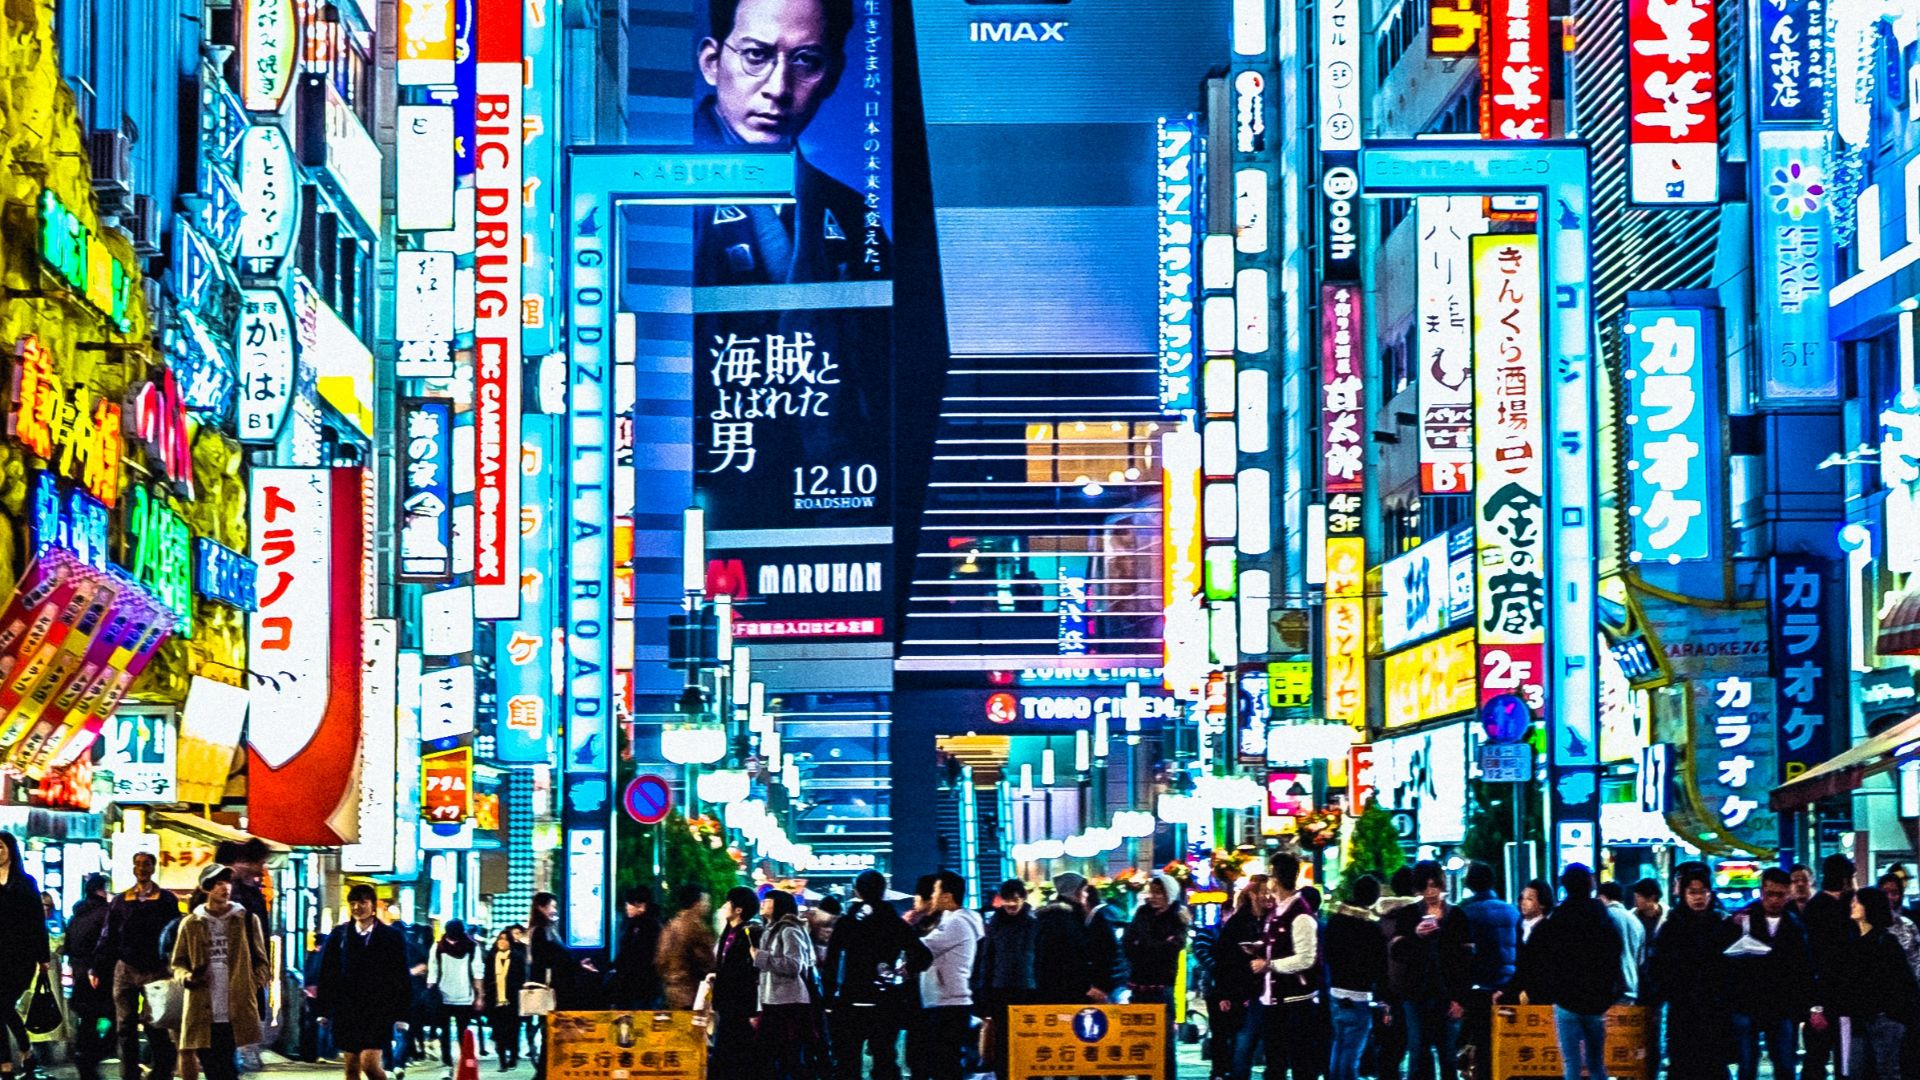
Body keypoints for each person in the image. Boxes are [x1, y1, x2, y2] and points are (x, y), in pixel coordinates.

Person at [693, 0, 890, 286]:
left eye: (806, 60)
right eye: (756, 55)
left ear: (833, 76)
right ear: (712, 63)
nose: (779, 89)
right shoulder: (658, 192)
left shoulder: (853, 214)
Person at [171, 867, 269, 1080]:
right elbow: (177, 963)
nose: (224, 887)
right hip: (202, 1005)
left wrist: (252, 983)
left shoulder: (246, 920)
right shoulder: (191, 923)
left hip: (235, 1005)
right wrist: (187, 977)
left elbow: (262, 961)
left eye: (227, 882)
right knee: (212, 1064)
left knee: (226, 1065)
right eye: (217, 883)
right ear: (207, 888)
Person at [822, 870, 921, 1080]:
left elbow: (831, 963)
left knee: (847, 1064)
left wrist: (829, 999)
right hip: (885, 998)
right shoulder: (895, 923)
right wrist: (903, 972)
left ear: (857, 891)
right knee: (885, 1060)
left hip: (850, 999)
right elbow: (923, 955)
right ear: (883, 891)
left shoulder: (846, 923)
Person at [95, 850, 183, 1080]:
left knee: (156, 1023)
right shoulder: (121, 900)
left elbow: (174, 933)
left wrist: (172, 963)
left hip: (156, 969)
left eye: (146, 864)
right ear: (133, 869)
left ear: (153, 868)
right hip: (125, 968)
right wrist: (98, 965)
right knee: (125, 1026)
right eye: (138, 864)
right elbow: (108, 935)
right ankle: (129, 1073)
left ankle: (162, 1071)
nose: (142, 868)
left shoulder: (166, 900)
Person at [1646, 866, 1737, 1079]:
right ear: (1684, 894)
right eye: (1693, 892)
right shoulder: (1672, 927)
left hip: (1716, 1011)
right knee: (1684, 1065)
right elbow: (1658, 967)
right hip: (1683, 1012)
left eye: (1703, 891)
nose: (1699, 897)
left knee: (1715, 1066)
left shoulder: (1723, 925)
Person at [1532, 865, 1621, 1080]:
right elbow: (1615, 950)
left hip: (1566, 1000)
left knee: (1571, 1062)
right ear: (1590, 884)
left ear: (1564, 885)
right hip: (1596, 1000)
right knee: (1596, 1061)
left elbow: (1541, 954)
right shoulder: (1601, 915)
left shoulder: (1557, 917)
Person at [315, 886, 413, 1080]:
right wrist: (323, 1009)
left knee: (369, 1064)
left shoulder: (391, 937)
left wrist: (402, 1015)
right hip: (347, 1010)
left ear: (373, 905)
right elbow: (327, 973)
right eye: (353, 903)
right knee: (351, 1068)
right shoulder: (339, 935)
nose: (357, 907)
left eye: (362, 902)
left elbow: (401, 976)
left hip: (377, 1010)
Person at [1725, 866, 1813, 1080]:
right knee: (1747, 1064)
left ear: (1788, 893)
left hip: (1781, 1006)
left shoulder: (1794, 925)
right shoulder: (1743, 919)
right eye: (1769, 894)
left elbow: (1803, 968)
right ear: (1762, 892)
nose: (1774, 900)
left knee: (1784, 1063)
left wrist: (1803, 1006)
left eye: (1780, 895)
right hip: (1746, 1003)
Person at [1386, 860, 1470, 1080]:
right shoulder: (1409, 915)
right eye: (1425, 886)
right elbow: (1397, 953)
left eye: (1435, 885)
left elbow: (1466, 961)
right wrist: (1416, 934)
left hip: (1448, 993)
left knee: (1448, 1054)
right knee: (1418, 1052)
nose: (1431, 891)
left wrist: (1460, 998)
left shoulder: (1457, 915)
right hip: (1416, 994)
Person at [1835, 885, 1920, 1079]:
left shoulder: (1886, 941)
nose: (1853, 905)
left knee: (1886, 1071)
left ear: (1869, 907)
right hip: (1861, 1018)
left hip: (1883, 1018)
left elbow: (1901, 982)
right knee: (1858, 1070)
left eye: (1858, 901)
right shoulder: (1855, 940)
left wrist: (1893, 1012)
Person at [1259, 854, 1323, 1080]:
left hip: (1296, 1002)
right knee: (1274, 1064)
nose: (1268, 881)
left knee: (1300, 1063)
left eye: (1270, 874)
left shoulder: (1300, 915)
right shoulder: (1276, 912)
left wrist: (1270, 965)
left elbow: (1306, 959)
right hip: (1274, 1000)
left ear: (1277, 878)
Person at [917, 871, 983, 1080]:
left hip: (950, 1002)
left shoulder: (957, 922)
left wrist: (905, 925)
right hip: (945, 1000)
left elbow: (923, 947)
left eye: (936, 891)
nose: (933, 896)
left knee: (946, 1064)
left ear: (947, 896)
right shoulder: (953, 919)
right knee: (945, 1061)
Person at [1123, 874, 1189, 1080]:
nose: (1153, 897)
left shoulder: (1178, 917)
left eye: (1159, 893)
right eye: (1152, 892)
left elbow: (1171, 949)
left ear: (1169, 894)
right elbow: (1128, 944)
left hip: (1162, 990)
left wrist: (1144, 945)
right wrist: (1155, 945)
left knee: (1165, 1045)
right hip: (1138, 988)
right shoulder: (1142, 913)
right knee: (1140, 1043)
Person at [1458, 862, 1518, 1080]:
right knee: (1507, 1040)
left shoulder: (1465, 911)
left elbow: (1463, 955)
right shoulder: (1511, 910)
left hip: (1481, 986)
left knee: (1483, 1041)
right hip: (1509, 986)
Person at [527, 893, 595, 1080]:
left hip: (557, 988)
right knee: (551, 1032)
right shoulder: (541, 931)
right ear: (541, 907)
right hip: (552, 990)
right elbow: (549, 959)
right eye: (551, 906)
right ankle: (544, 1074)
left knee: (552, 1032)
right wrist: (574, 964)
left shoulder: (548, 929)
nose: (554, 909)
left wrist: (577, 964)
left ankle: (546, 1072)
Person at [753, 889, 820, 1080]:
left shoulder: (789, 930)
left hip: (789, 1002)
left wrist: (760, 956)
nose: (763, 903)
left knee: (786, 1055)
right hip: (773, 1001)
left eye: (767, 900)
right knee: (773, 1055)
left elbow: (793, 965)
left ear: (778, 905)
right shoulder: (770, 929)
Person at [1325, 875, 1387, 1080]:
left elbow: (1327, 953)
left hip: (1335, 991)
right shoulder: (1371, 929)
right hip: (1359, 994)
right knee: (1352, 1051)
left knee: (1339, 1043)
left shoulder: (1335, 921)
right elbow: (1379, 965)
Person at [975, 880, 1036, 1080]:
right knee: (1002, 1039)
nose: (1011, 904)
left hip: (1027, 989)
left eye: (1015, 899)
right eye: (1007, 900)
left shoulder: (1033, 923)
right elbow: (987, 959)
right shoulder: (995, 924)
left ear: (1023, 898)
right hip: (999, 989)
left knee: (1027, 1037)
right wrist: (984, 992)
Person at [1801, 853, 1855, 1080]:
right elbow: (1815, 958)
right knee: (1834, 1057)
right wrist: (1815, 1005)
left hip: (1828, 994)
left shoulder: (1816, 906)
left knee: (1819, 1058)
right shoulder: (1836, 908)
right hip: (1832, 994)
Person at [0, 832, 49, 1080]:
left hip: (20, 957)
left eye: (1, 847)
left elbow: (36, 920)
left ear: (11, 850)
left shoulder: (26, 882)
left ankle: (22, 1053)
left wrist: (43, 956)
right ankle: (12, 1061)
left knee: (3, 1005)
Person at [1210, 875, 1270, 1080]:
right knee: (1243, 1043)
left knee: (1270, 1046)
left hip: (1270, 991)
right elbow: (1223, 960)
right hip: (1242, 992)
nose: (1268, 897)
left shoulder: (1272, 919)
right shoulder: (1237, 923)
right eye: (1264, 892)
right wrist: (1224, 994)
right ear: (1252, 895)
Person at [709, 887, 763, 1080]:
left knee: (736, 1050)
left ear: (738, 909)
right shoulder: (728, 932)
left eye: (727, 903)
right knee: (726, 1048)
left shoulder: (750, 933)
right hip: (726, 1001)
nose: (723, 907)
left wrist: (753, 1010)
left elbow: (753, 973)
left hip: (740, 1003)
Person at [65, 874, 114, 1080]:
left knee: (88, 1018)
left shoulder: (76, 915)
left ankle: (84, 1056)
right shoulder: (106, 913)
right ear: (100, 890)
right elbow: (109, 945)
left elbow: (68, 946)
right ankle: (95, 1055)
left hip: (79, 973)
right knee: (115, 1016)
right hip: (100, 974)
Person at [426, 921, 480, 1068]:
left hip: (461, 996)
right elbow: (433, 970)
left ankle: (457, 1060)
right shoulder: (470, 946)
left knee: (459, 1030)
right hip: (449, 996)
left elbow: (477, 972)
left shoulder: (441, 946)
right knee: (449, 1031)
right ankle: (450, 1060)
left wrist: (480, 996)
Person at [1032, 873, 1092, 1006]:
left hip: (1054, 988)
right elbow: (1072, 957)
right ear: (1074, 892)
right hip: (1065, 990)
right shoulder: (1063, 919)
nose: (1086, 895)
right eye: (1084, 891)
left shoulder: (1055, 915)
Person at [655, 886, 716, 1011]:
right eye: (705, 901)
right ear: (696, 903)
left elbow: (660, 959)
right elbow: (706, 960)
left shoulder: (671, 924)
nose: (707, 905)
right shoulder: (695, 926)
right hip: (690, 992)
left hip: (671, 990)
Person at [608, 888, 662, 1010]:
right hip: (639, 985)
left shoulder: (645, 927)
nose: (627, 907)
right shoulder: (635, 925)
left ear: (641, 906)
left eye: (630, 903)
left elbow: (632, 955)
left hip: (639, 986)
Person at [479, 929, 525, 1072]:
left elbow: (521, 977)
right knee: (498, 1031)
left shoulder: (517, 957)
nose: (502, 942)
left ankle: (513, 1056)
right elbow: (486, 977)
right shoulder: (491, 957)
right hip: (496, 1000)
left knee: (513, 1029)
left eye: (505, 939)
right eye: (500, 939)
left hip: (512, 999)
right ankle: (502, 1061)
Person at [1082, 879, 1131, 1005]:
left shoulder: (1099, 919)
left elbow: (1104, 954)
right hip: (1122, 982)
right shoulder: (1114, 913)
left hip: (1107, 987)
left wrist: (1100, 986)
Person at [1596, 881, 1645, 1003]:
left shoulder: (1603, 917)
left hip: (1609, 987)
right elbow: (1641, 960)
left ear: (1602, 897)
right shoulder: (1636, 921)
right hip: (1632, 986)